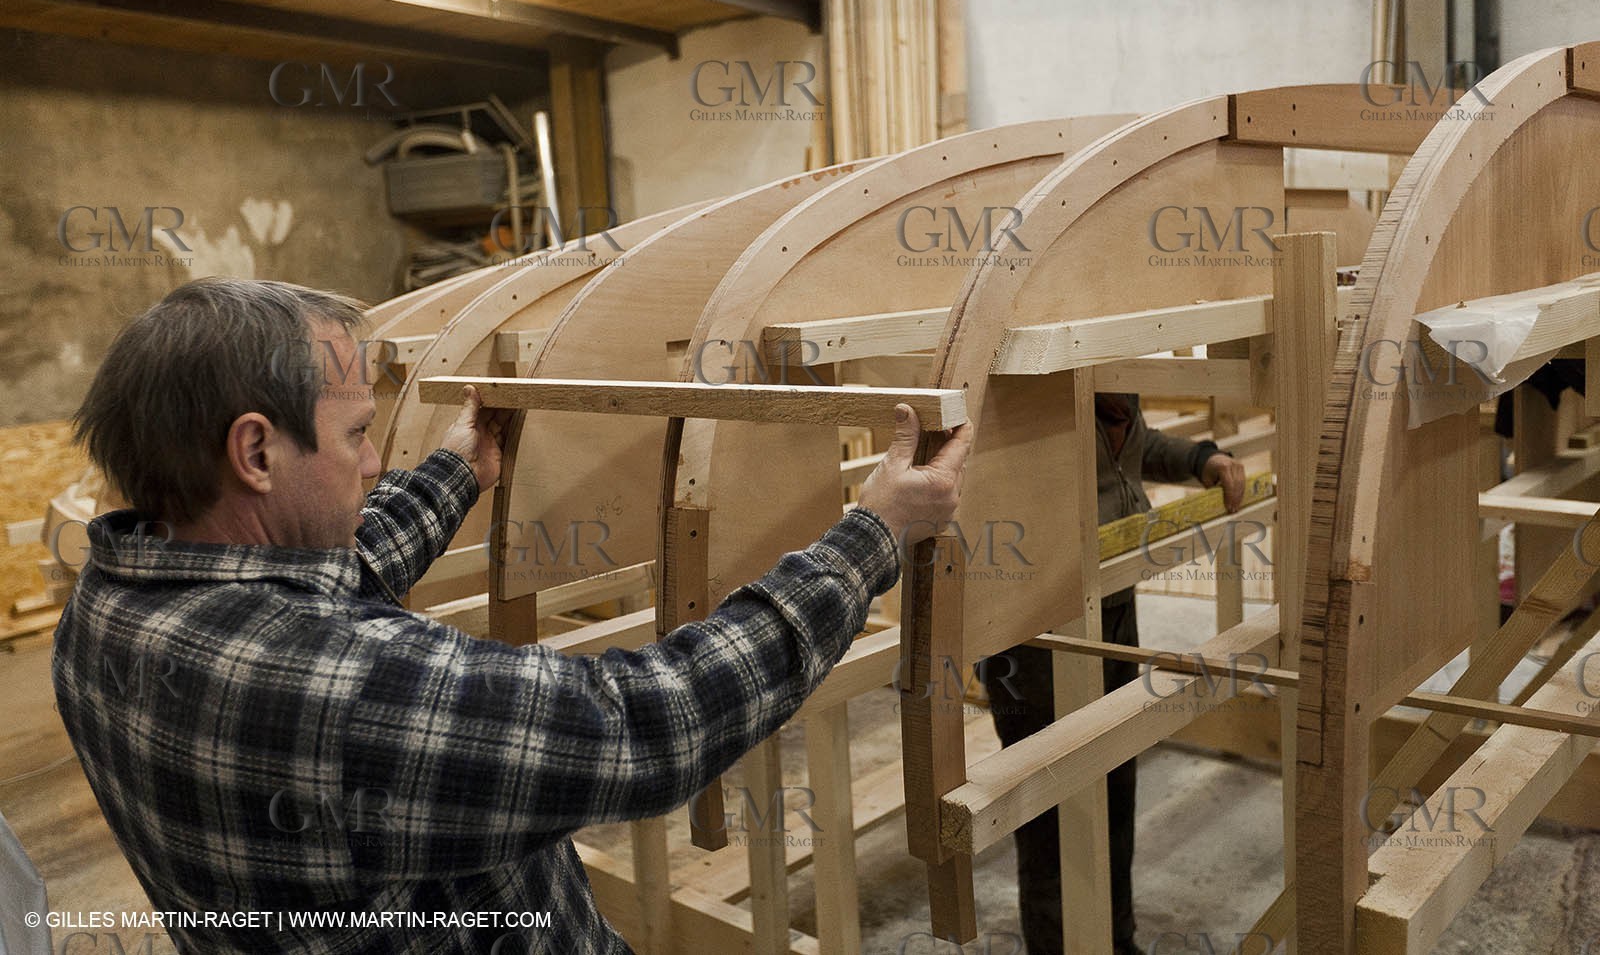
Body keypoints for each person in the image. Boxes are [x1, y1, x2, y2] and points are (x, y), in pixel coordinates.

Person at [52, 278, 972, 954]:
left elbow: (337, 571)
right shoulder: (332, 689)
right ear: (255, 451)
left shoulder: (108, 606)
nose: (373, 462)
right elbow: (649, 724)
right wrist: (873, 534)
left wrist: (459, 468)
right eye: (357, 433)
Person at [979, 392, 1245, 955]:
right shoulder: (1031, 394)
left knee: (1115, 782)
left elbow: (1135, 450)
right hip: (1034, 630)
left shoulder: (1113, 387)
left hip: (1113, 606)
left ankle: (1115, 940)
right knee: (1052, 803)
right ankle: (1056, 947)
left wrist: (1201, 459)